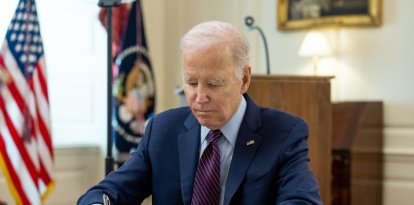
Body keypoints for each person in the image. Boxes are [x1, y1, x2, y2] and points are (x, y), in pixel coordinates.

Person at [78, 21, 322, 205]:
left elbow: (302, 200)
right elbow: (109, 192)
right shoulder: (162, 130)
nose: (199, 96)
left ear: (244, 79)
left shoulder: (284, 134)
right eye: (191, 82)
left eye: (214, 84)